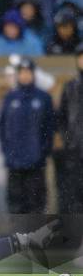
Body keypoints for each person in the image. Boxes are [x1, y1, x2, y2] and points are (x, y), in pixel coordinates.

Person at [0, 58, 54, 214]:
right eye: (22, 72)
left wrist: (43, 152)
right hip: (14, 162)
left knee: (36, 202)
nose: (25, 76)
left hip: (36, 163)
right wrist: (7, 152)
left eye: (28, 72)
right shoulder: (10, 98)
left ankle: (36, 237)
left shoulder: (43, 98)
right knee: (15, 203)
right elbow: (2, 126)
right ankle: (18, 236)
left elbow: (49, 128)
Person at [55, 44, 83, 213]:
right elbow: (62, 118)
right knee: (75, 196)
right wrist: (68, 140)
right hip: (75, 151)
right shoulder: (70, 87)